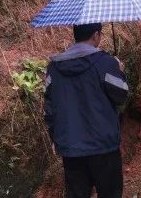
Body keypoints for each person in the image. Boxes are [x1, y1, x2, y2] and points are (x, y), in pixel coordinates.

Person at [44, 23, 128, 198]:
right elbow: (121, 95)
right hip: (103, 146)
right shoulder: (105, 63)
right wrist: (120, 71)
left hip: (70, 146)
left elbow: (49, 109)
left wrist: (56, 138)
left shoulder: (53, 68)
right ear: (96, 35)